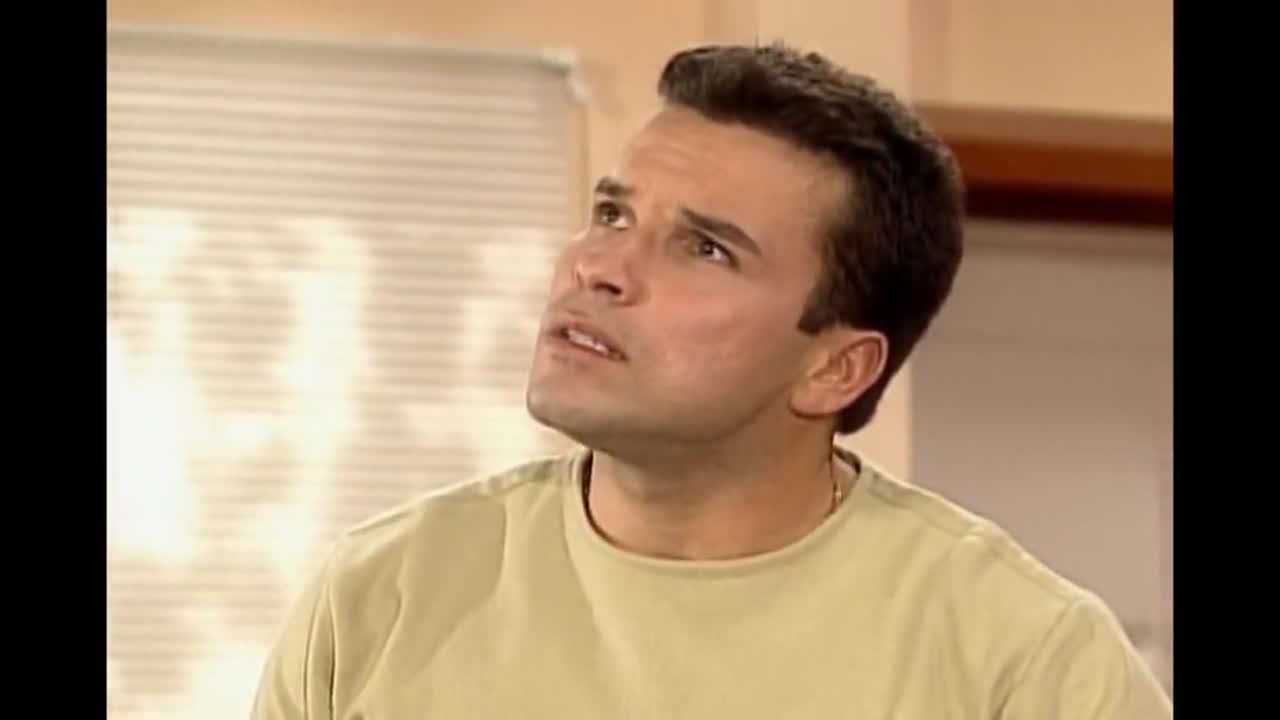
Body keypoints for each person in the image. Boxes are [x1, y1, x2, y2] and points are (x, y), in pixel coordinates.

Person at [252, 42, 1172, 718]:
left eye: (704, 248)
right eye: (612, 214)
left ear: (835, 367)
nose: (599, 267)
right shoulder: (381, 595)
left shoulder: (1028, 662)